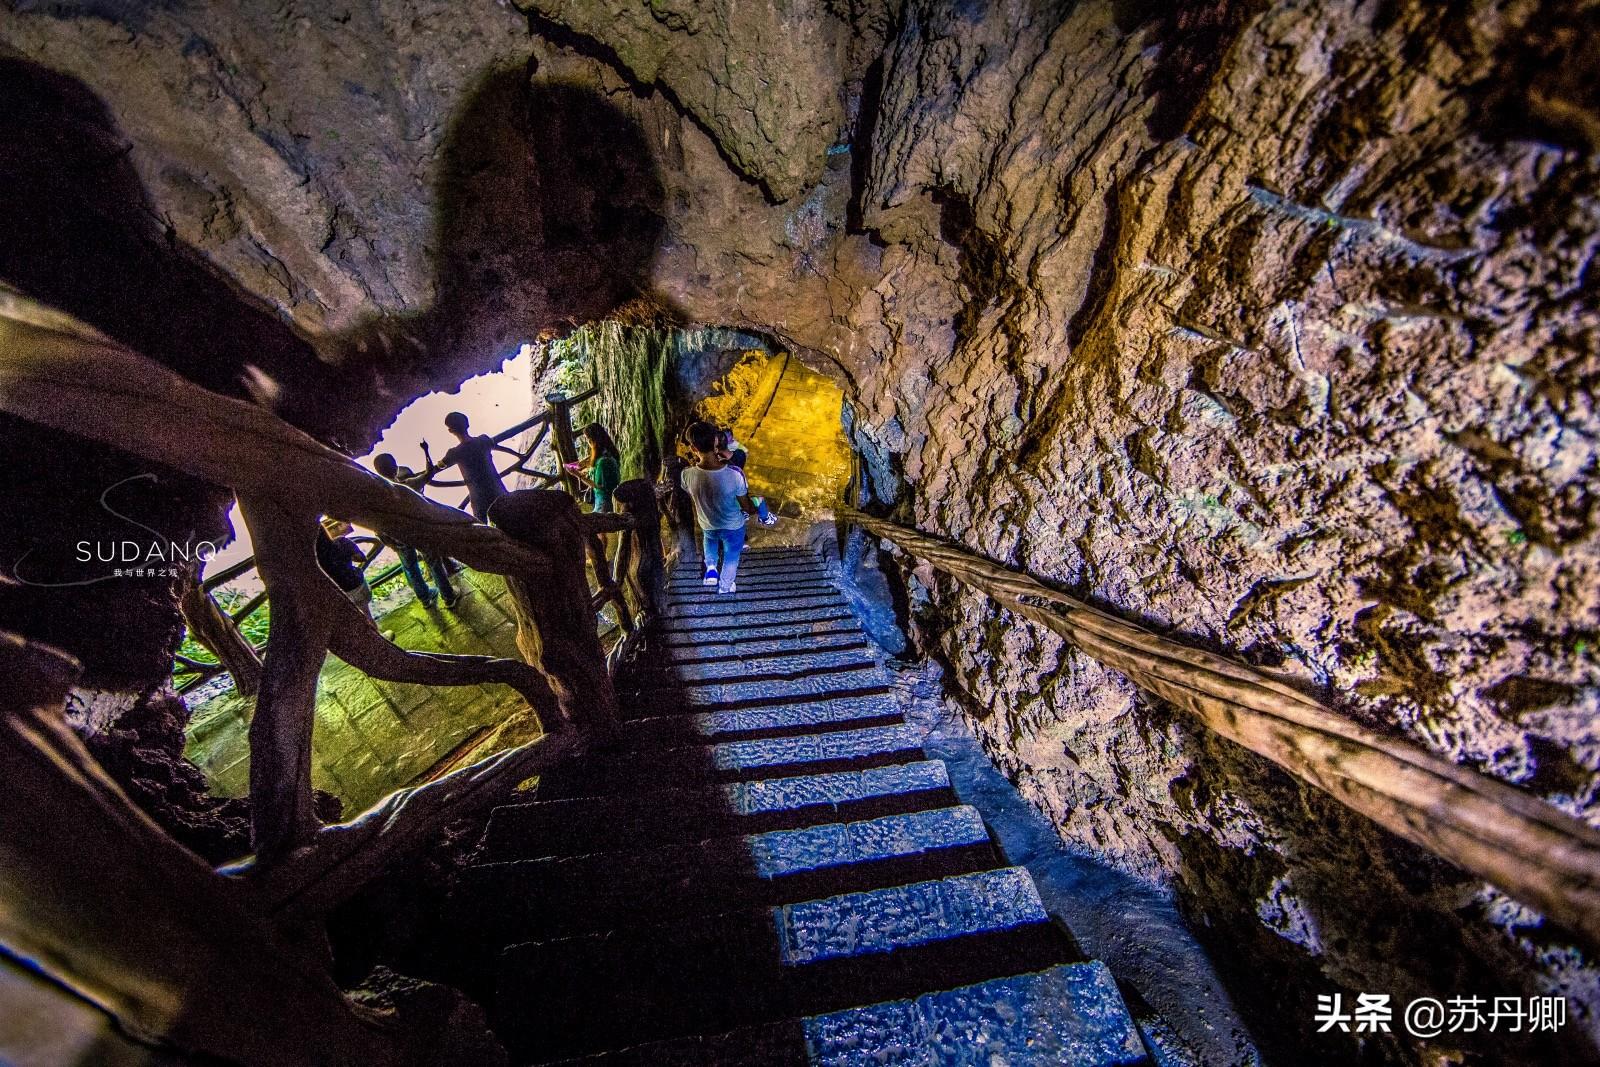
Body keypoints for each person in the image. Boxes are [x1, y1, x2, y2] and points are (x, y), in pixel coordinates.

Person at [681, 421, 762, 594]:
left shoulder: (686, 475)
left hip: (707, 523)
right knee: (732, 555)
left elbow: (691, 492)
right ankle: (725, 586)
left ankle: (711, 568)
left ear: (694, 449)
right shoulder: (734, 474)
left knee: (709, 541)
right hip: (733, 526)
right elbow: (746, 506)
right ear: (717, 442)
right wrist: (755, 509)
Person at [371, 452, 460, 609]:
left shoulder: (377, 494)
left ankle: (425, 598)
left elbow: (376, 522)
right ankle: (448, 596)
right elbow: (429, 473)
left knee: (410, 567)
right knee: (434, 563)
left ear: (378, 473)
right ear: (396, 468)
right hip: (419, 531)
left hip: (398, 536)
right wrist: (426, 452)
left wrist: (388, 541)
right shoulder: (408, 485)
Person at [423, 411, 514, 521]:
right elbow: (499, 447)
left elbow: (432, 471)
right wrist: (517, 455)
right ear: (467, 424)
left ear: (451, 431)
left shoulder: (454, 453)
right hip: (499, 491)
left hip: (479, 500)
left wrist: (426, 451)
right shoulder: (483, 440)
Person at [316, 518, 373, 619]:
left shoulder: (314, 557)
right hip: (357, 586)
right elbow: (361, 558)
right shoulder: (341, 541)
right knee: (366, 614)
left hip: (338, 594)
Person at [566, 423, 622, 513]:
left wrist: (578, 475)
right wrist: (577, 465)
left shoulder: (603, 462)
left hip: (604, 503)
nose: (588, 443)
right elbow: (587, 461)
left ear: (593, 440)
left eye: (587, 439)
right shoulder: (609, 451)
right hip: (608, 499)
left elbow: (599, 486)